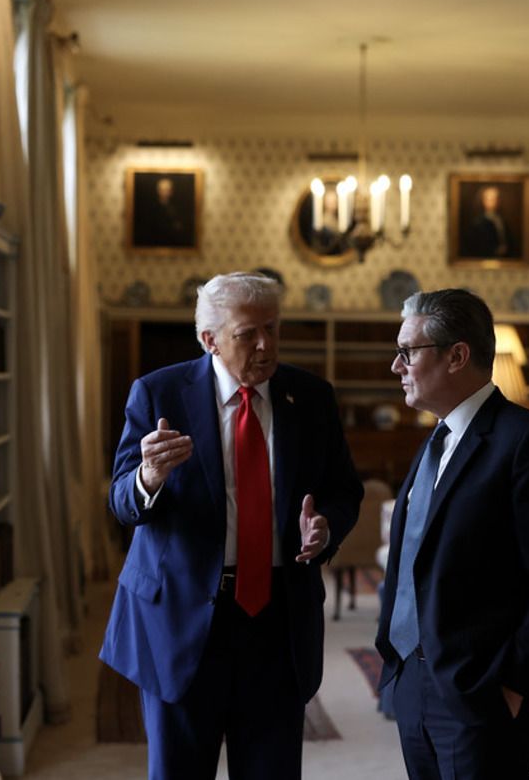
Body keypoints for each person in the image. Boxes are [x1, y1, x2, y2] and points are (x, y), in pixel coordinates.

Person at [100, 272, 363, 779]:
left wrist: (326, 526)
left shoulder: (311, 397)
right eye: (247, 334)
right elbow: (121, 501)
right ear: (210, 340)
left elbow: (343, 489)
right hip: (181, 616)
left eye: (273, 329)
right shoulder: (159, 393)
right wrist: (148, 477)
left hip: (278, 619)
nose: (265, 345)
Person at [375, 289, 529, 779]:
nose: (396, 366)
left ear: (456, 356)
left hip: (483, 690)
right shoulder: (436, 439)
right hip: (414, 679)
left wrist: (515, 686)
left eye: (408, 352)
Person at [462, 185, 514, 259]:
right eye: (490, 199)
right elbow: (475, 247)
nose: (493, 202)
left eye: (496, 199)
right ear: (483, 201)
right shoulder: (477, 223)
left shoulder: (502, 220)